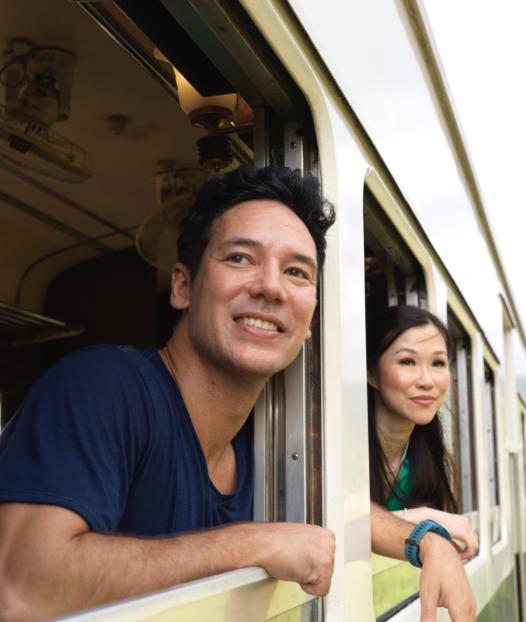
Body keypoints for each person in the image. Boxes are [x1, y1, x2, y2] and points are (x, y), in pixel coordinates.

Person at [0, 166, 475, 622]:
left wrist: (426, 540)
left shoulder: (267, 439)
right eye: (240, 258)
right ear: (183, 286)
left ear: (308, 321)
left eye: (296, 272)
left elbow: (343, 513)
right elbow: (22, 589)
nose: (270, 286)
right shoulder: (104, 385)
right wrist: (251, 544)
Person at [366, 305, 478, 560]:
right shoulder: (340, 450)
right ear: (371, 373)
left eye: (438, 363)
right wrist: (419, 517)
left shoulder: (423, 457)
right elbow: (323, 532)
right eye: (408, 362)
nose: (427, 380)